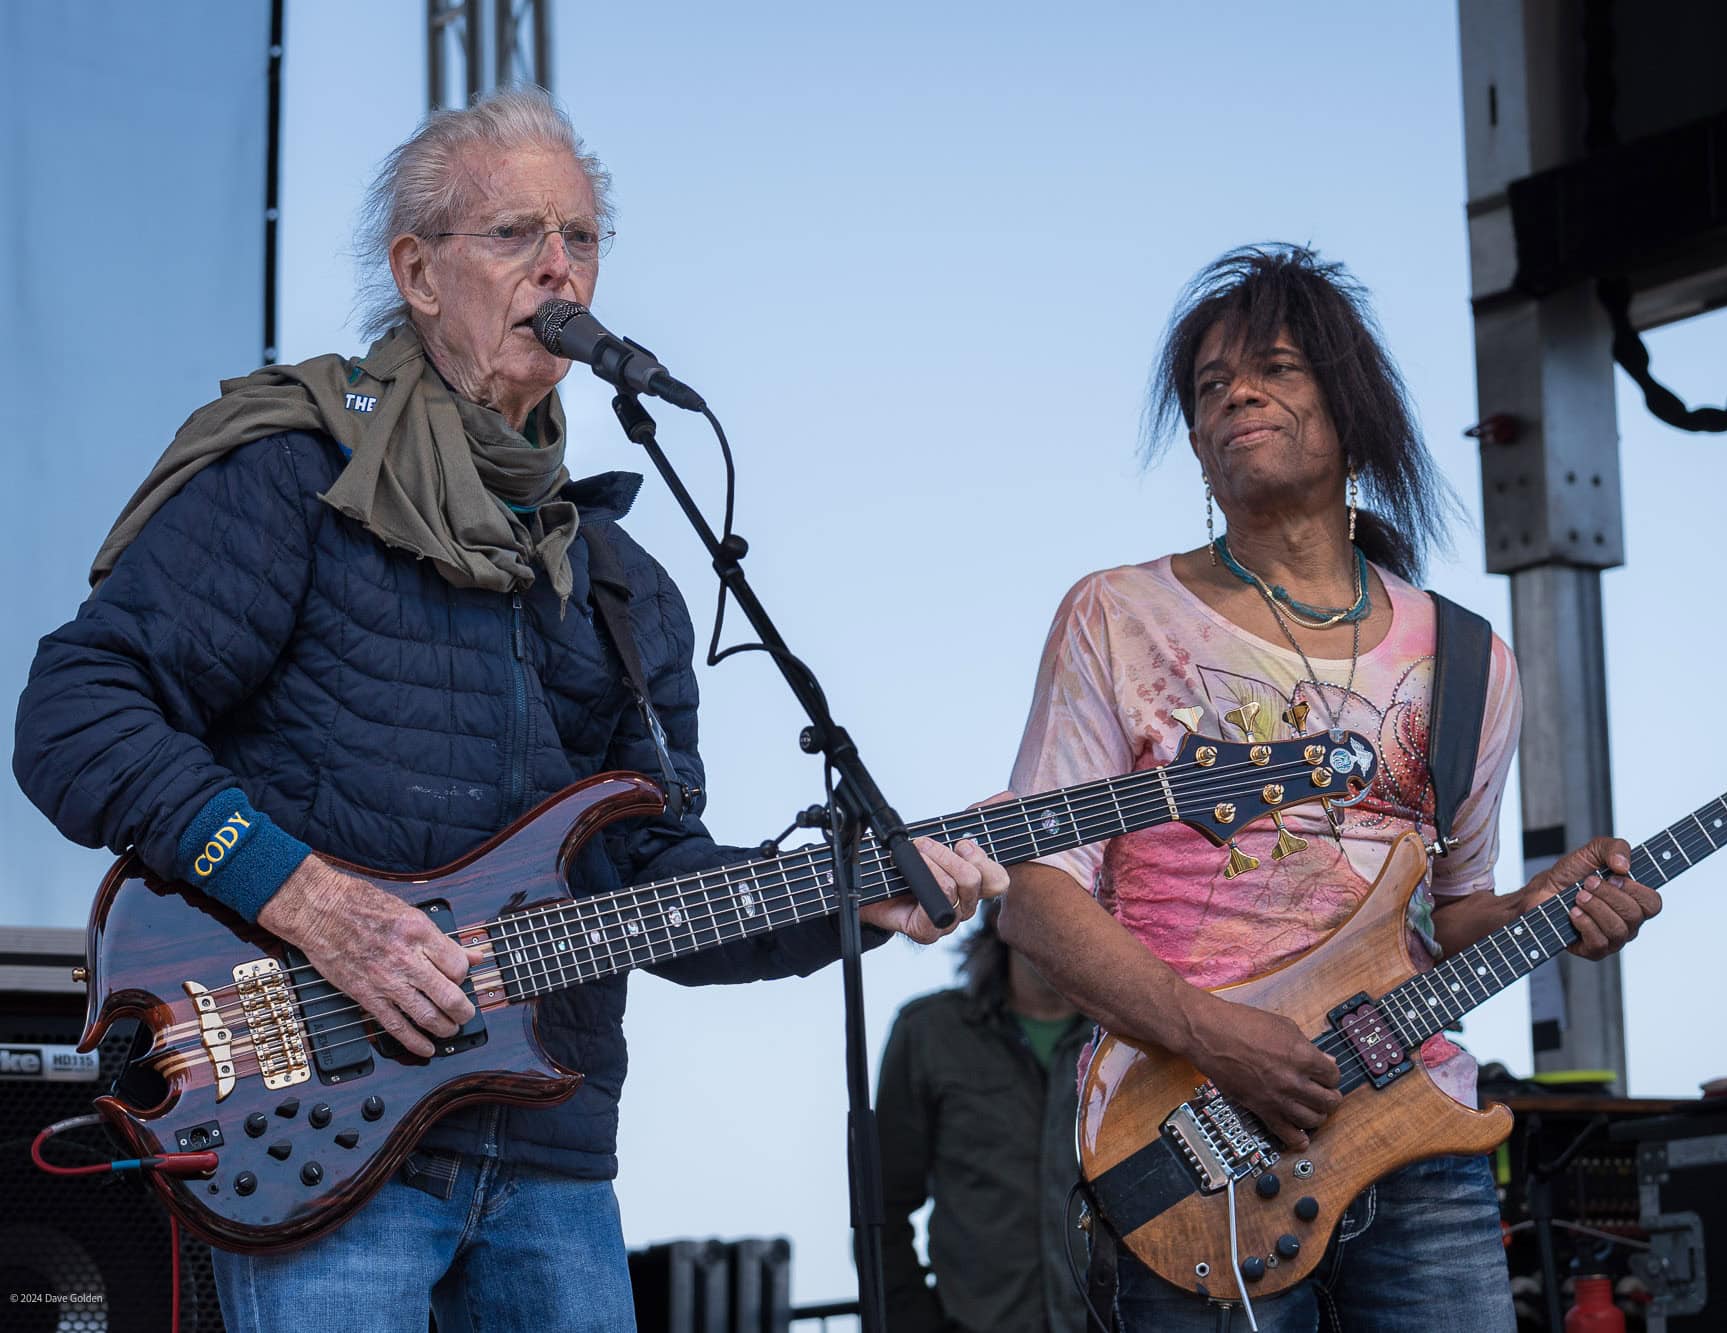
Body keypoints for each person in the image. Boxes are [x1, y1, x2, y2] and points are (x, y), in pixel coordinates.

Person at [11, 89, 1004, 1333]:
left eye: (581, 239)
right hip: (314, 1122)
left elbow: (650, 874)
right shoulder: (295, 479)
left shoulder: (620, 579)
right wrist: (311, 902)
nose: (559, 269)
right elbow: (75, 714)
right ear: (417, 272)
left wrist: (846, 900)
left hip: (551, 1152)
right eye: (516, 236)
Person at [998, 245, 1662, 1331]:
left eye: (1272, 368)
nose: (1235, 396)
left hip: (1416, 1139)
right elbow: (1036, 894)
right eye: (1208, 387)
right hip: (1189, 1141)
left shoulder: (1466, 658)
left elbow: (1449, 911)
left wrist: (1549, 911)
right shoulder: (1116, 616)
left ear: (1349, 407)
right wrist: (1212, 1035)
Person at [877, 898, 1093, 1333]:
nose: (1067, 920)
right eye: (1046, 895)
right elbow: (882, 1210)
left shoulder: (1133, 1038)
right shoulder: (928, 1031)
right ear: (999, 914)